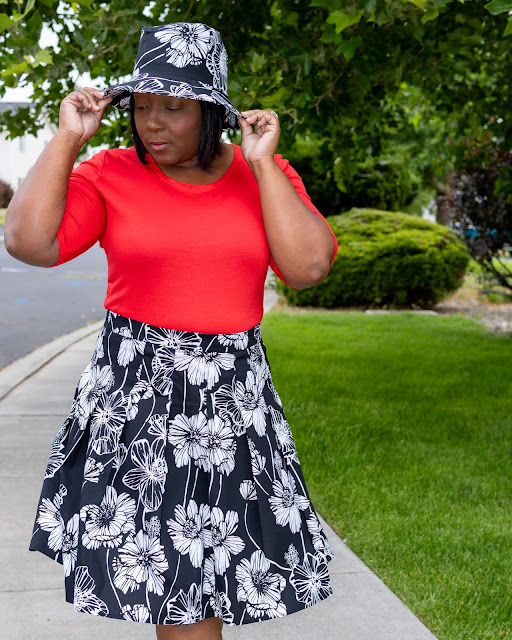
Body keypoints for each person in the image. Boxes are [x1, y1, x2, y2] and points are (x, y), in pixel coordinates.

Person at [5, 22, 338, 640]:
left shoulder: (262, 173)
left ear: (211, 112)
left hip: (232, 401)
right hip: (137, 397)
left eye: (174, 108)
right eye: (141, 106)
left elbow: (308, 267)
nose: (152, 123)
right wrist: (67, 139)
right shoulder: (111, 172)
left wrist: (263, 165)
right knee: (177, 594)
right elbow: (29, 242)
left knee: (205, 587)